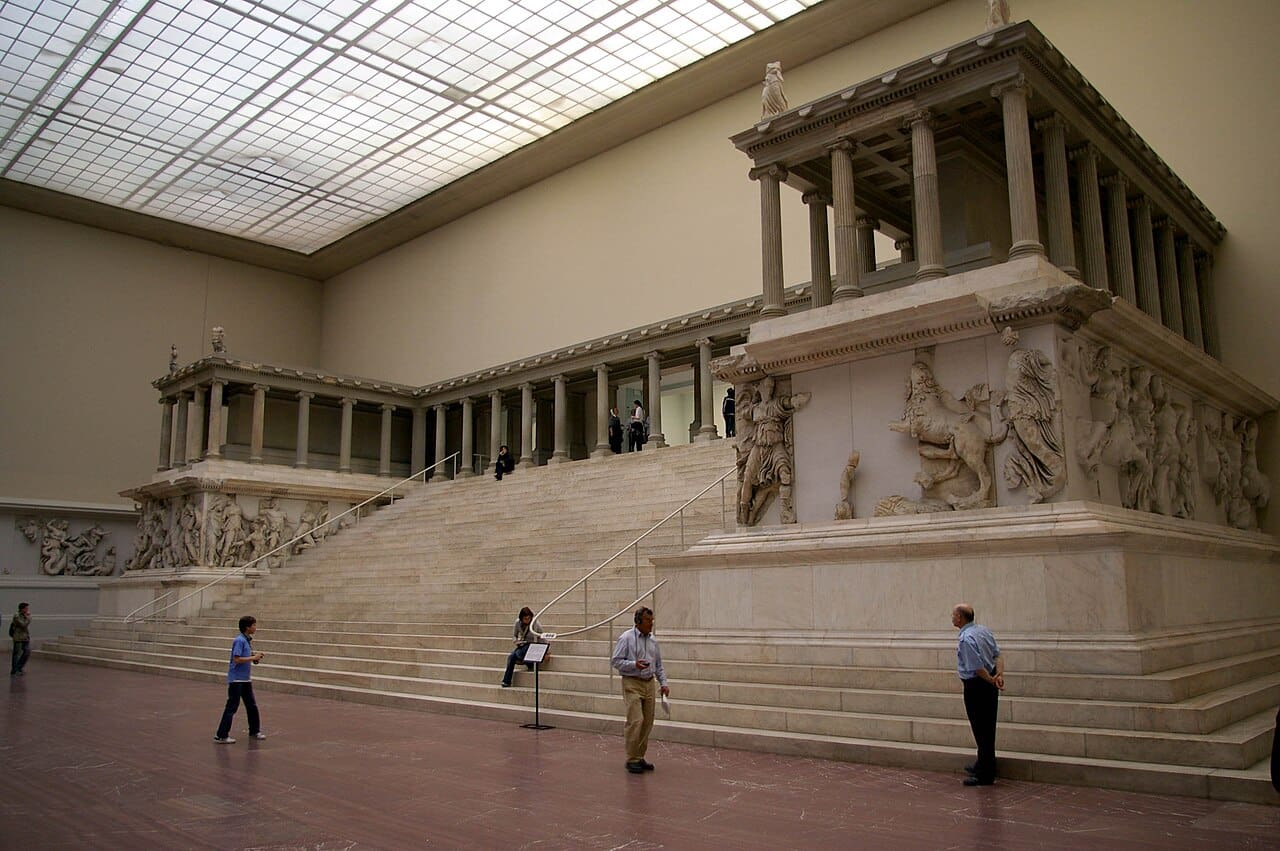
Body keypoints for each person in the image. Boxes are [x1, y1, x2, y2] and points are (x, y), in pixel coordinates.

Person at [611, 606, 669, 774]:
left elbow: (658, 665)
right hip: (632, 682)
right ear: (638, 621)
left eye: (652, 620)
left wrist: (663, 683)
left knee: (648, 721)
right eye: (648, 621)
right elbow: (615, 661)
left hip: (649, 682)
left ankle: (639, 755)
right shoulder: (626, 638)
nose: (651, 624)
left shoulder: (653, 641)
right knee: (636, 720)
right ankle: (632, 758)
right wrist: (633, 665)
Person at [952, 603, 1003, 786]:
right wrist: (998, 676)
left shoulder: (966, 639)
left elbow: (976, 667)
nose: (952, 617)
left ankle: (985, 774)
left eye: (954, 614)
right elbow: (998, 655)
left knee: (981, 729)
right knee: (987, 727)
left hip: (977, 686)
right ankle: (983, 763)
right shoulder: (983, 631)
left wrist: (990, 679)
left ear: (960, 618)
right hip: (989, 684)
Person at [214, 615, 266, 743]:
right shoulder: (239, 640)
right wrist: (253, 658)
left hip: (245, 679)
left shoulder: (247, 640)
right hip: (236, 680)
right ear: (247, 627)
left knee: (251, 706)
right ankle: (222, 735)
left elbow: (245, 656)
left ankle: (255, 730)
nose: (255, 627)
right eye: (254, 625)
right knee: (232, 707)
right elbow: (236, 659)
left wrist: (254, 657)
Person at [501, 607, 546, 687]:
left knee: (518, 653)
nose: (527, 620)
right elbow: (514, 635)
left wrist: (546, 651)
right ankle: (506, 681)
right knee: (511, 657)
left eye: (528, 618)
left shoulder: (535, 624)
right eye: (525, 619)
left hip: (533, 645)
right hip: (523, 644)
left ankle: (529, 662)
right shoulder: (517, 623)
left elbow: (542, 636)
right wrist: (516, 641)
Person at [9, 602, 31, 676]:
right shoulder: (17, 616)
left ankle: (19, 667)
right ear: (22, 609)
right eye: (26, 608)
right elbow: (23, 625)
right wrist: (28, 618)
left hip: (25, 637)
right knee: (16, 654)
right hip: (18, 637)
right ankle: (14, 670)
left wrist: (27, 617)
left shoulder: (25, 616)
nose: (27, 610)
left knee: (27, 652)